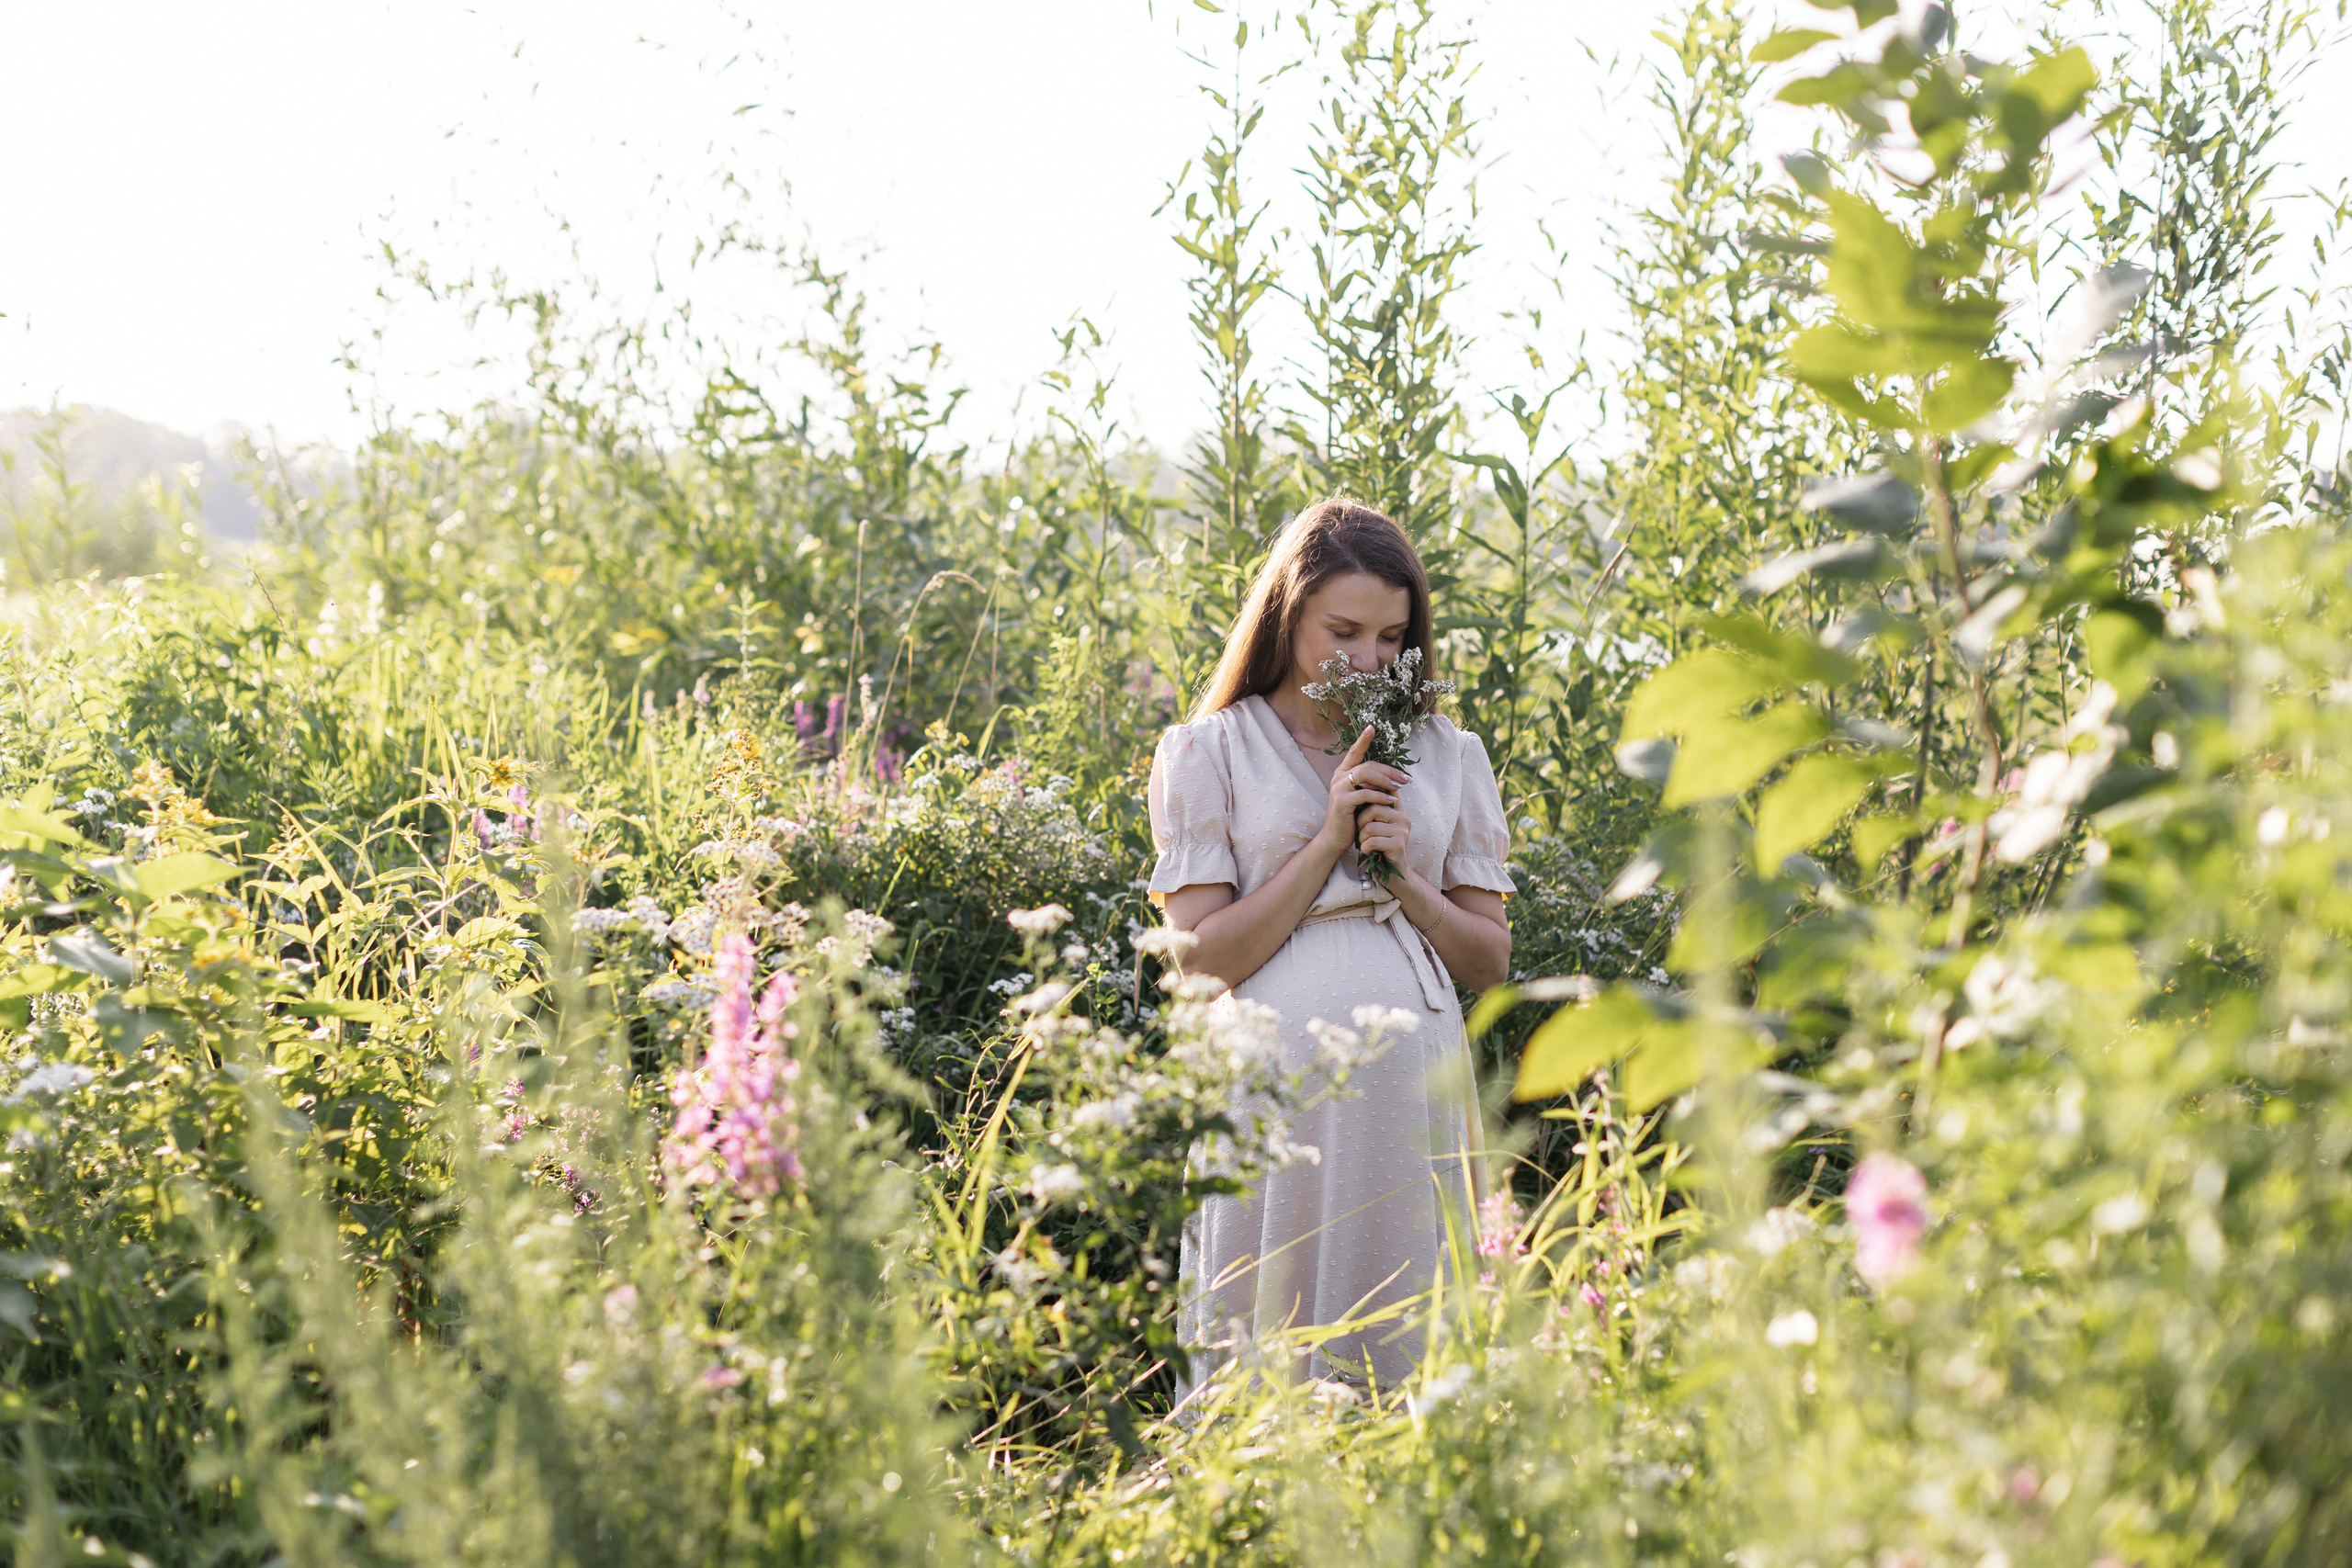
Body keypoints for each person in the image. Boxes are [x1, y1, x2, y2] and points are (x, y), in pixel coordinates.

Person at [1148, 495, 1514, 1389]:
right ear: (1288, 614)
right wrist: (1324, 845)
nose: (1369, 659)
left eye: (1392, 639)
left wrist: (1400, 876)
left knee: (1406, 1332)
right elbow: (1198, 963)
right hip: (1273, 1086)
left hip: (1412, 1083)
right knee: (1264, 1335)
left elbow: (1487, 961)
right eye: (1344, 630)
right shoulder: (1213, 750)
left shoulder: (1445, 752)